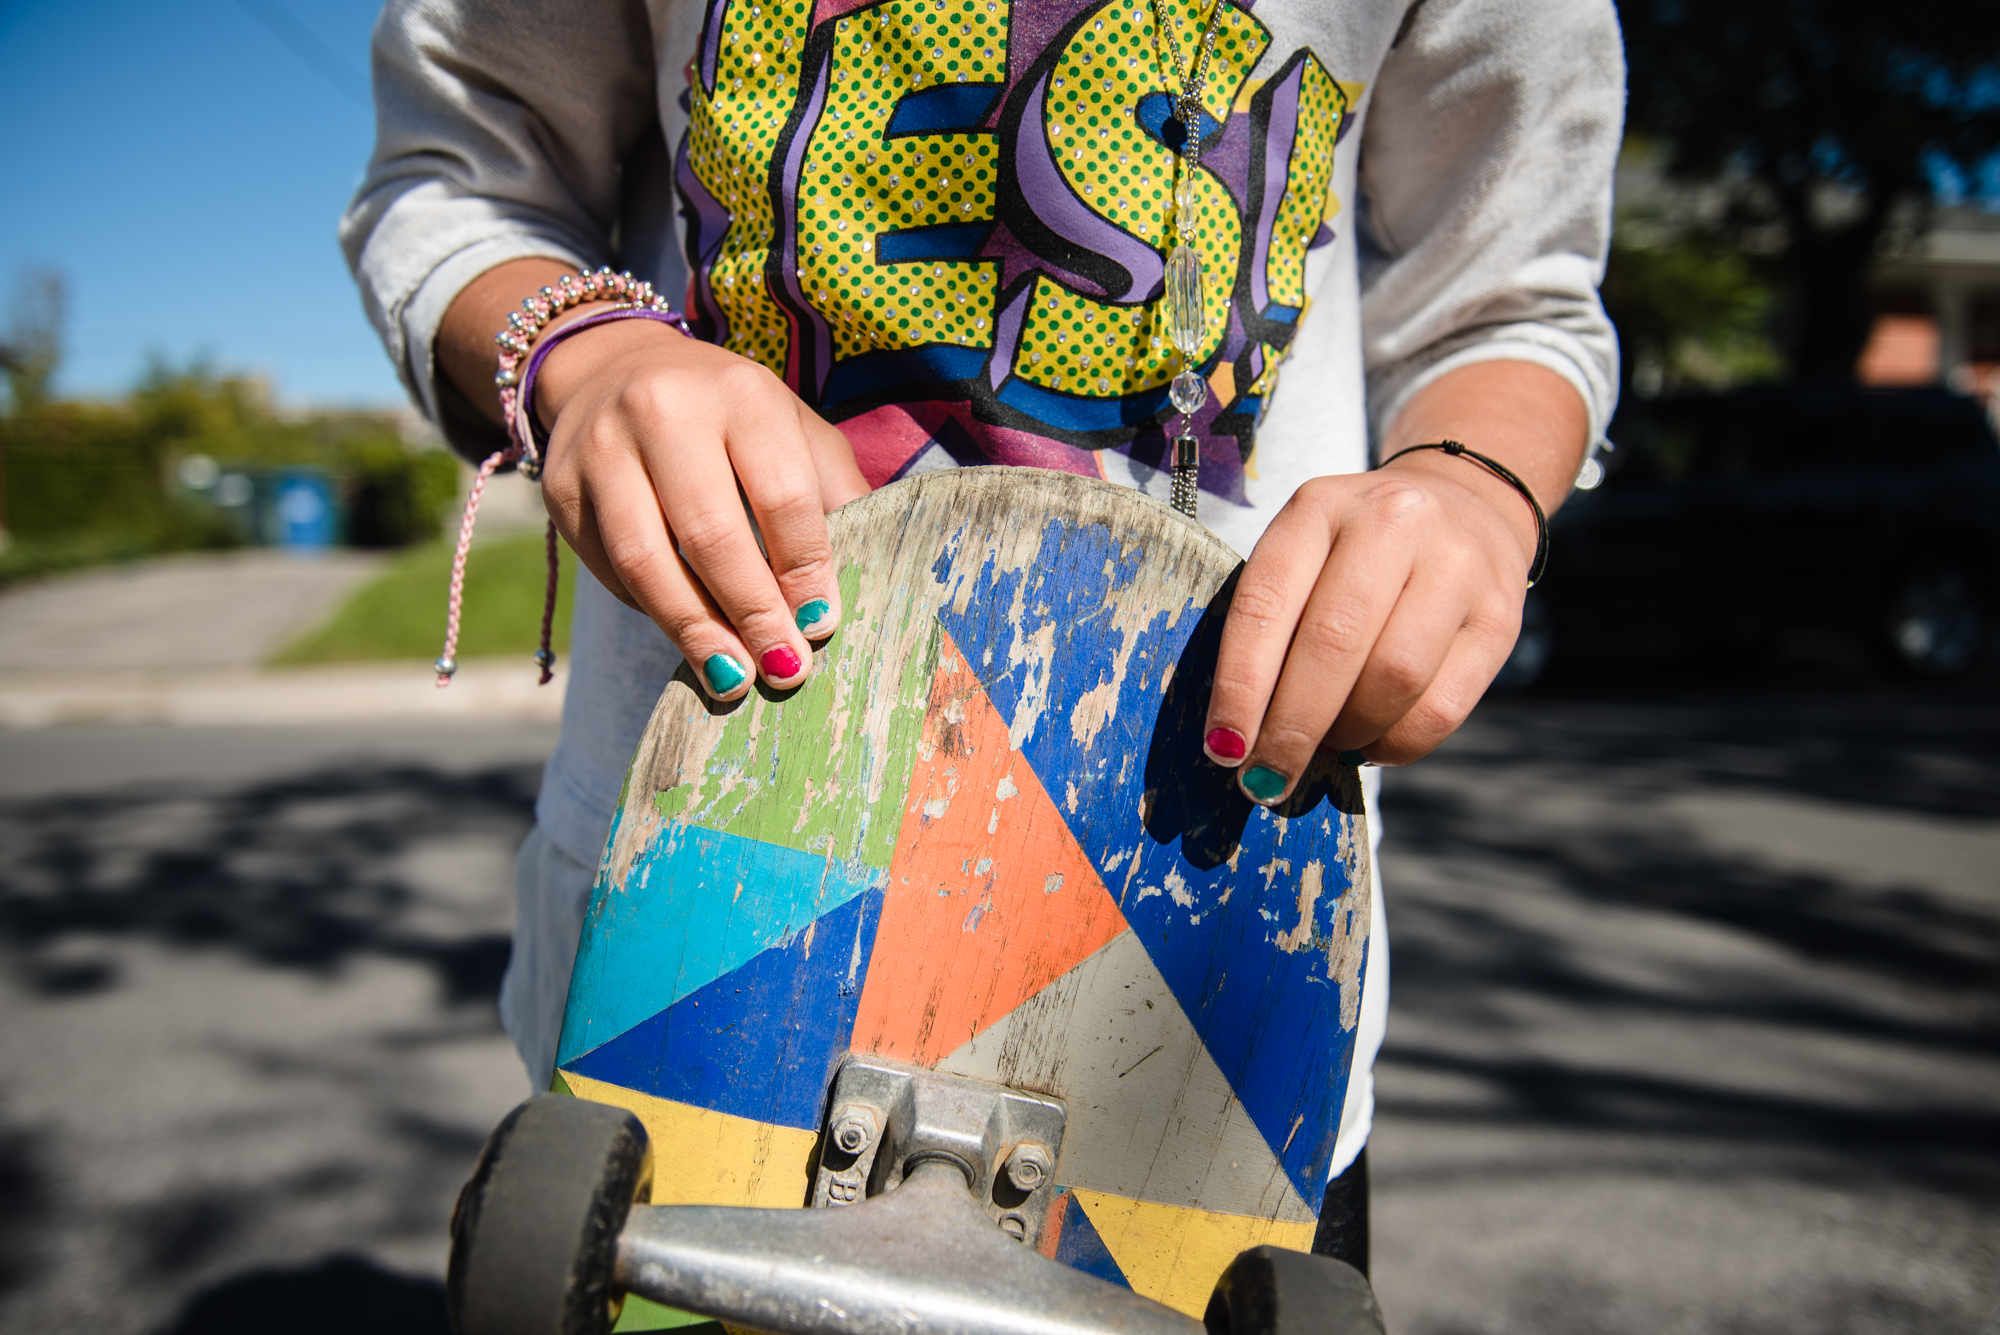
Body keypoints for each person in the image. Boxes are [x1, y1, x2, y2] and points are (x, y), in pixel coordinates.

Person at [342, 0, 1622, 1275]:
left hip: (1203, 985)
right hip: (704, 934)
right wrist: (590, 353)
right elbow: (459, 178)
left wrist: (1470, 488)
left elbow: (1507, 301)